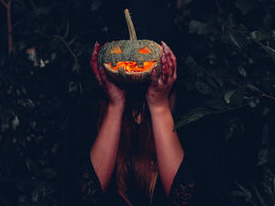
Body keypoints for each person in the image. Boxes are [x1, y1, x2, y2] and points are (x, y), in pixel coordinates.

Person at [72, 41, 198, 206]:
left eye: (144, 51)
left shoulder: (191, 117)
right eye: (119, 51)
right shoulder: (88, 114)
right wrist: (115, 105)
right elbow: (86, 197)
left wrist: (159, 107)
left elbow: (183, 199)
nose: (134, 60)